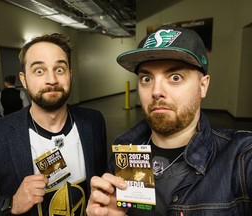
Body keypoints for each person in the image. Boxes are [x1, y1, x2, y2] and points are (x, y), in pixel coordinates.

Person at [86, 25, 252, 216]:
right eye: (147, 79)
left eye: (175, 77)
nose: (156, 91)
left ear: (203, 86)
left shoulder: (241, 158)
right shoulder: (123, 151)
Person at [0, 33, 107, 215]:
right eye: (39, 70)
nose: (52, 79)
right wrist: (11, 204)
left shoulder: (93, 122)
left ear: (70, 75)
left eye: (60, 69)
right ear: (23, 79)